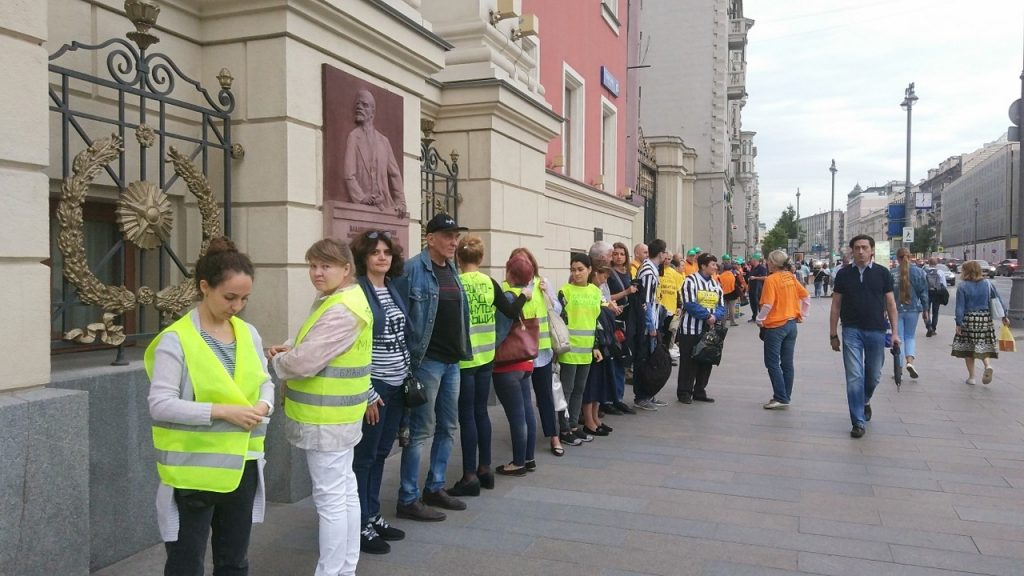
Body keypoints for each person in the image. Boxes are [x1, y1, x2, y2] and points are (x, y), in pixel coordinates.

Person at [146, 237, 272, 576]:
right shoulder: (177, 339)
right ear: (204, 287)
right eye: (230, 297)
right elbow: (160, 405)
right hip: (193, 472)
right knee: (186, 564)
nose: (237, 306)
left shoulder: (248, 333)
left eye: (244, 298)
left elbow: (265, 381)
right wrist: (223, 411)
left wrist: (263, 405)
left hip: (243, 465)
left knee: (234, 562)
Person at [270, 238, 377, 576]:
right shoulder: (341, 299)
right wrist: (287, 347)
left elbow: (305, 362)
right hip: (338, 417)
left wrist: (280, 360)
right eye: (313, 265)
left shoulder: (343, 307)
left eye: (325, 266)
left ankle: (332, 572)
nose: (317, 272)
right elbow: (309, 341)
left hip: (325, 419)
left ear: (346, 269)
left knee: (331, 499)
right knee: (344, 492)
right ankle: (345, 568)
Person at [393, 213, 472, 521]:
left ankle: (434, 487)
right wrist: (406, 365)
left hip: (452, 362)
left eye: (457, 236)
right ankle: (408, 497)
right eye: (448, 236)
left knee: (448, 427)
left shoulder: (451, 268)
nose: (455, 241)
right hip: (426, 363)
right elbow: (400, 319)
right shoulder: (412, 270)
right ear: (430, 238)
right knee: (420, 430)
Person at [449, 235, 529, 495]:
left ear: (457, 258)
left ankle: (469, 475)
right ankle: (485, 470)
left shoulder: (455, 283)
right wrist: (524, 297)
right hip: (486, 359)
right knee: (481, 412)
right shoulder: (489, 283)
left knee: (467, 416)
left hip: (464, 360)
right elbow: (509, 310)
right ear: (481, 258)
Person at [350, 230, 409, 555]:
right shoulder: (358, 292)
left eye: (386, 251)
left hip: (398, 385)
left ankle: (373, 515)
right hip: (377, 388)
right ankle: (360, 523)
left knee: (382, 453)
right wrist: (368, 392)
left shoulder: (391, 288)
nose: (382, 257)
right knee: (365, 458)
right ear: (364, 258)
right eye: (375, 252)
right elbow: (355, 348)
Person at [829, 235, 900, 439]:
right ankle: (858, 421)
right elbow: (835, 305)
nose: (860, 251)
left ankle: (865, 399)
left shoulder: (882, 273)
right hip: (851, 330)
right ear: (852, 251)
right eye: (857, 248)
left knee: (874, 375)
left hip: (876, 330)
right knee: (854, 377)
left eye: (864, 248)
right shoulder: (843, 274)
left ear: (872, 250)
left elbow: (891, 304)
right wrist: (833, 333)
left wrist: (895, 333)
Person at [506, 247, 567, 455]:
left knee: (545, 395)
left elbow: (557, 310)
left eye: (526, 261)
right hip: (520, 352)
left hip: (541, 351)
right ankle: (523, 441)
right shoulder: (507, 287)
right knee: (522, 400)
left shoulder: (543, 283)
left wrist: (545, 294)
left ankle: (554, 436)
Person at [557, 253, 604, 445]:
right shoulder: (565, 291)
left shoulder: (595, 292)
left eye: (580, 269)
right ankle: (563, 428)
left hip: (585, 350)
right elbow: (560, 321)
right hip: (569, 349)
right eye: (573, 270)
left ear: (589, 270)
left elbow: (595, 322)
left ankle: (575, 425)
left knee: (579, 389)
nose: (576, 273)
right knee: (566, 390)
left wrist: (596, 346)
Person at [757, 250, 810, 409]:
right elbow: (806, 297)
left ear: (772, 263)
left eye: (768, 261)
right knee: (787, 362)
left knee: (772, 362)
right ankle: (786, 395)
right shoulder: (791, 277)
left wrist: (760, 320)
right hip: (791, 324)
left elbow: (767, 304)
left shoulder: (771, 279)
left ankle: (780, 396)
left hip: (775, 325)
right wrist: (803, 315)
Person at [343, 89, 406, 215]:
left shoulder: (384, 141)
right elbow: (349, 174)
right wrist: (361, 198)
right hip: (362, 207)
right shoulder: (353, 137)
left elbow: (395, 175)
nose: (359, 107)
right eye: (357, 104)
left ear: (372, 112)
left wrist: (401, 202)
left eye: (364, 105)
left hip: (384, 206)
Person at [676, 252, 726, 404]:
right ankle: (684, 391)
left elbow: (721, 306)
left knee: (706, 360)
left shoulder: (715, 284)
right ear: (703, 266)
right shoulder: (690, 281)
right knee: (688, 361)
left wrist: (715, 316)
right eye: (712, 264)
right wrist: (707, 316)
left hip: (709, 330)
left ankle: (700, 390)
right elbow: (690, 304)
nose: (715, 267)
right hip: (690, 329)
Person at [952, 260, 1010, 385]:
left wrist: (958, 323)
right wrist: (1004, 316)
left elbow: (960, 307)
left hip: (969, 319)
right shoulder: (988, 284)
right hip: (984, 318)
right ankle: (987, 365)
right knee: (982, 344)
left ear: (966, 271)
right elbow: (997, 300)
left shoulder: (962, 286)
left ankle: (972, 377)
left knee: (968, 349)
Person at [580, 265, 618, 437]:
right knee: (590, 385)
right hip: (592, 342)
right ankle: (588, 420)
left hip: (602, 342)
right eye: (603, 277)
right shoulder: (588, 291)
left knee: (598, 383)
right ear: (594, 274)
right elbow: (594, 316)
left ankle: (595, 418)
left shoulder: (598, 292)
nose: (604, 281)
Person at [632, 238, 669, 410]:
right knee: (645, 360)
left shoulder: (651, 269)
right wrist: (651, 326)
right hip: (647, 324)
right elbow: (645, 301)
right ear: (661, 253)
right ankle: (642, 396)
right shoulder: (648, 271)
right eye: (665, 252)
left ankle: (649, 394)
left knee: (650, 358)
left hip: (651, 320)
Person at [607, 242, 638, 415]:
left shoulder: (628, 272)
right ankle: (611, 398)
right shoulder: (610, 274)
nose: (619, 257)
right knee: (615, 357)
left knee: (623, 358)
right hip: (614, 319)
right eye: (616, 254)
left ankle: (618, 397)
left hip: (627, 320)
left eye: (622, 254)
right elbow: (606, 296)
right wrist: (626, 292)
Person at [891, 248, 930, 379]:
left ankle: (899, 369)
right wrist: (925, 310)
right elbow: (924, 294)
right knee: (910, 337)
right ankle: (910, 362)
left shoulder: (892, 274)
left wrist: (885, 309)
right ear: (911, 257)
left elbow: (887, 295)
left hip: (896, 310)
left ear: (897, 258)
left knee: (899, 338)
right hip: (913, 309)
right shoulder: (919, 273)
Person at [923, 257, 949, 337]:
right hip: (937, 293)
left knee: (926, 310)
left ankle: (929, 326)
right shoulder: (940, 272)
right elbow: (944, 284)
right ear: (936, 263)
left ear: (928, 263)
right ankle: (933, 329)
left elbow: (922, 283)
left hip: (927, 293)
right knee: (935, 312)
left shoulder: (924, 271)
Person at [719, 255, 740, 327]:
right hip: (732, 293)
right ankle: (732, 322)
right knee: (732, 308)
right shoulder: (733, 275)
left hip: (723, 293)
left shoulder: (720, 276)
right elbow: (737, 283)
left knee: (724, 309)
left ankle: (723, 323)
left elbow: (719, 284)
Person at [746, 253, 767, 322]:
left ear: (755, 260)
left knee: (758, 303)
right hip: (752, 288)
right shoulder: (752, 267)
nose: (750, 260)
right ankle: (754, 317)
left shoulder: (762, 268)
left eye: (751, 259)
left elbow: (765, 277)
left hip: (758, 289)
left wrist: (755, 277)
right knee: (752, 303)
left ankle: (761, 318)